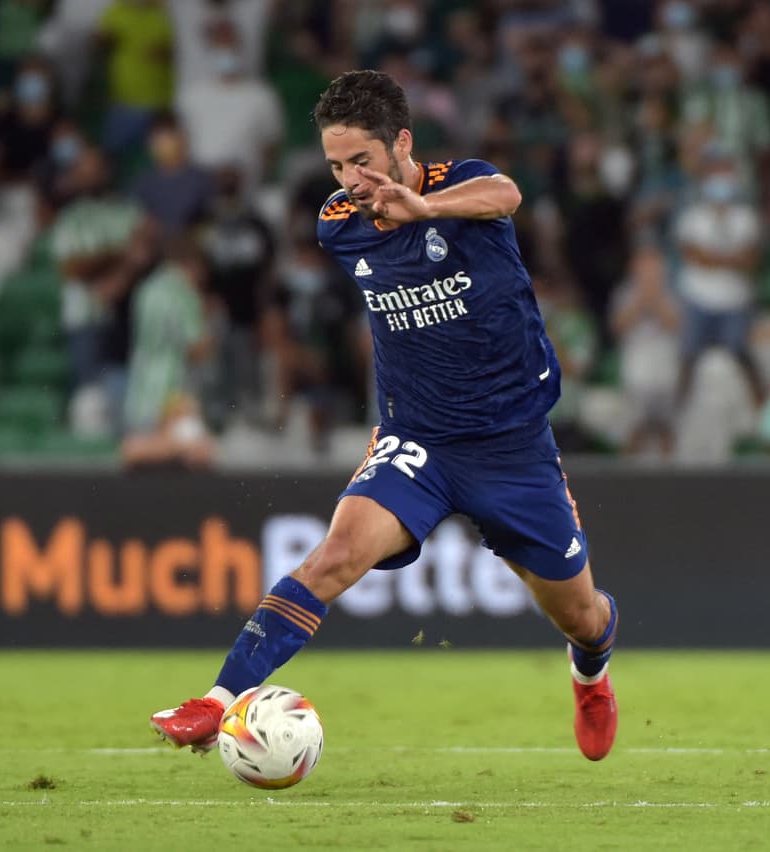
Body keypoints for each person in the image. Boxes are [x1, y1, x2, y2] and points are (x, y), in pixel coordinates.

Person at [151, 70, 619, 762]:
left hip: (511, 445)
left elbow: (507, 194)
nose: (349, 179)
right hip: (417, 442)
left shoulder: (467, 186)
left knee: (580, 615)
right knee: (335, 556)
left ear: (402, 143)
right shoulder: (339, 227)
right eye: (336, 164)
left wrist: (427, 209)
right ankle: (216, 702)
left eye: (361, 161)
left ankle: (591, 673)